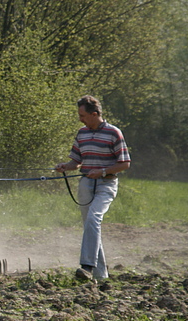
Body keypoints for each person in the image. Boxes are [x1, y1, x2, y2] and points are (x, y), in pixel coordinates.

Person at [54, 95, 131, 282]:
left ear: (95, 114)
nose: (80, 119)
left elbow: (125, 163)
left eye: (82, 115)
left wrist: (103, 171)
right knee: (90, 226)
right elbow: (76, 161)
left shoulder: (114, 133)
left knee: (93, 218)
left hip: (107, 184)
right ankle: (101, 275)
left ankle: (86, 266)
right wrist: (65, 166)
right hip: (86, 183)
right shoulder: (82, 133)